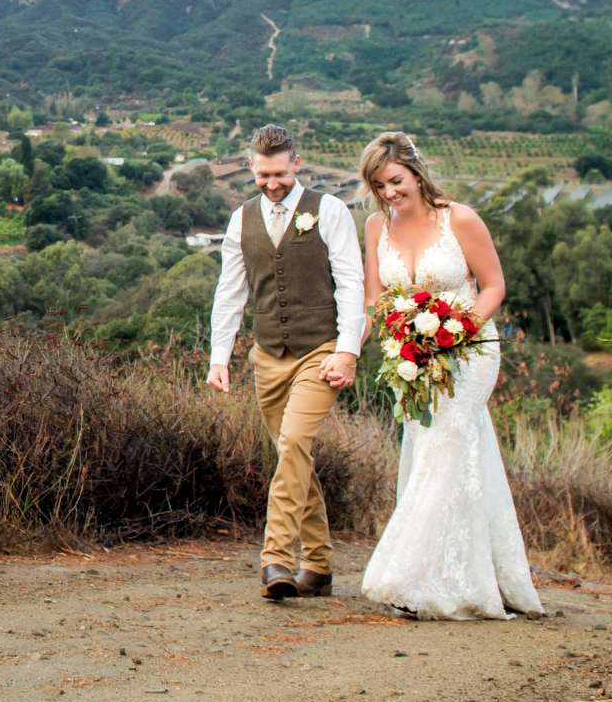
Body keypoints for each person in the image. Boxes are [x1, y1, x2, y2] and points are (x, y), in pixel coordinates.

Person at [354, 131, 543, 620]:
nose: (390, 193)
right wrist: (366, 344)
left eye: (396, 180)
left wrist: (456, 331)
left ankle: (405, 575)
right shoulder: (376, 227)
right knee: (438, 454)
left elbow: (494, 286)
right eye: (379, 186)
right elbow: (375, 299)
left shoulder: (459, 218)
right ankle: (473, 576)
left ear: (416, 173)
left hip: (470, 351)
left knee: (446, 446)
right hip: (410, 359)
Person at [203, 124, 364, 600]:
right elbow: (230, 291)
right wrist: (219, 357)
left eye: (279, 173)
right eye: (262, 174)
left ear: (296, 164)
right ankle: (320, 566)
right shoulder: (242, 220)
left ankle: (275, 558)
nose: (272, 183)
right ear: (251, 168)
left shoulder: (329, 210)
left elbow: (351, 283)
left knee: (294, 441)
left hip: (320, 348)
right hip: (267, 355)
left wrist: (348, 349)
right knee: (293, 455)